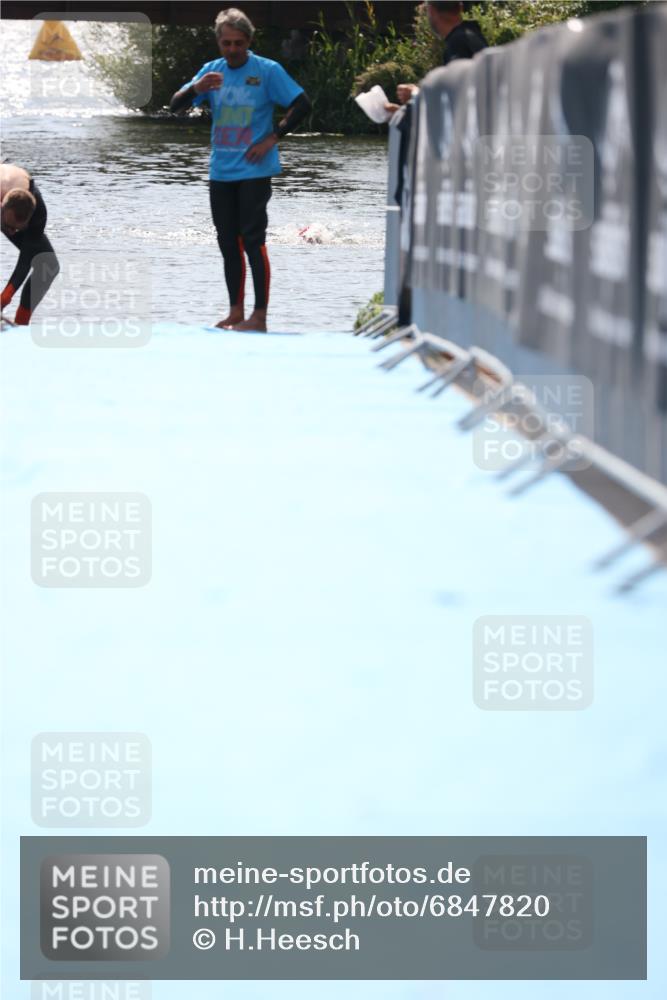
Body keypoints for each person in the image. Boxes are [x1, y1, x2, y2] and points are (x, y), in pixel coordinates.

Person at [170, 7, 312, 332]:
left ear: (248, 41)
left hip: (254, 169)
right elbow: (175, 105)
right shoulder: (212, 71)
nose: (233, 50)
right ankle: (236, 312)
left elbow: (303, 104)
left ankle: (259, 316)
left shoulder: (267, 70)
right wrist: (197, 88)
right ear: (219, 43)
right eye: (227, 43)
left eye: (239, 43)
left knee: (252, 240)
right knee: (226, 242)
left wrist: (272, 138)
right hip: (221, 172)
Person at [385, 1, 488, 113]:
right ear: (460, 7)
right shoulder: (473, 36)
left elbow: (457, 101)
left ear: (431, 10)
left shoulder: (458, 44)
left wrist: (416, 95)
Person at [1, 163, 60, 325]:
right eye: (9, 227)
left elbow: (27, 258)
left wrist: (5, 296)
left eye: (17, 229)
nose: (12, 232)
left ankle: (21, 323)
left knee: (48, 266)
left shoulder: (39, 213)